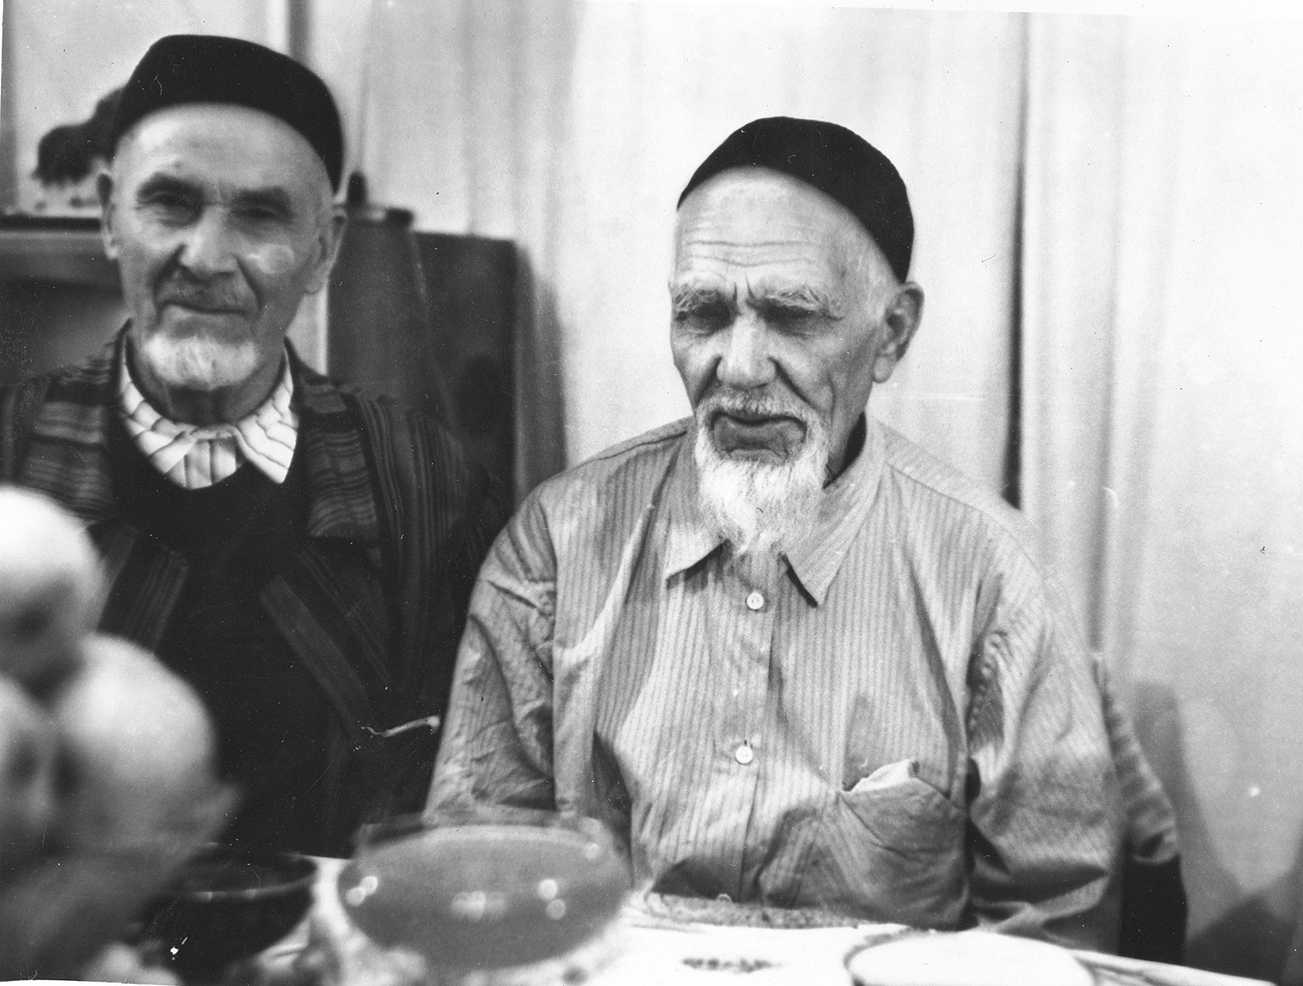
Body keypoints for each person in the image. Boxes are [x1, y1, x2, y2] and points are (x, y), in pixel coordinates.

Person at [429, 117, 1174, 950]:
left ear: (891, 334)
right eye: (702, 313)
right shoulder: (558, 542)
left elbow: (1052, 928)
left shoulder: (992, 575)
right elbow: (475, 874)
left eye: (791, 317)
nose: (739, 367)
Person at [0, 35, 502, 857]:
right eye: (170, 203)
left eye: (261, 215)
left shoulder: (426, 487)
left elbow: (461, 807)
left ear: (324, 249)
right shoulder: (13, 462)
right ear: (109, 217)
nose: (206, 258)